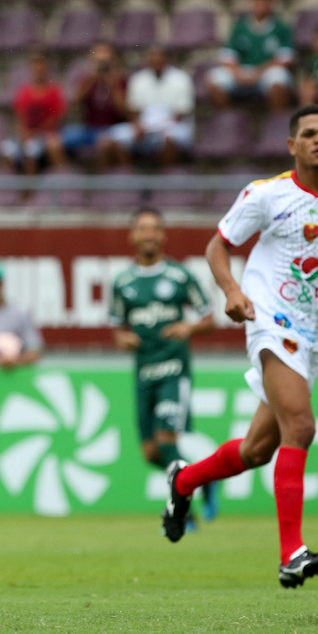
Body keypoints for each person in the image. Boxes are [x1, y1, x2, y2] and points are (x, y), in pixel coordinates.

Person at [160, 105, 318, 589]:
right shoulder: (266, 195)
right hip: (269, 319)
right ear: (292, 145)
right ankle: (292, 555)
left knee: (258, 450)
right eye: (310, 134)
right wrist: (231, 291)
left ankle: (183, 481)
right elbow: (217, 246)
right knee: (301, 426)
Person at [109, 208, 218, 521]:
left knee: (166, 439)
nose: (148, 234)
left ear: (163, 235)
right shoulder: (122, 283)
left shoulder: (180, 276)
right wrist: (123, 339)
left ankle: (183, 513)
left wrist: (188, 327)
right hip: (143, 374)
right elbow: (117, 327)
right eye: (142, 228)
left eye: (154, 228)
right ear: (132, 236)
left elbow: (209, 319)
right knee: (151, 453)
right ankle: (203, 479)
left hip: (174, 371)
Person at [97, 46, 194, 169]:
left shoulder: (181, 78)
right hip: (144, 124)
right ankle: (127, 176)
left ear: (166, 60)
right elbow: (134, 110)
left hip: (172, 125)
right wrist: (138, 125)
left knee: (169, 139)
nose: (155, 62)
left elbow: (181, 114)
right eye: (152, 59)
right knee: (108, 140)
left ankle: (166, 177)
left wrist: (153, 128)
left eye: (159, 59)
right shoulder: (139, 79)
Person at [207, 0, 294, 111]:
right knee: (214, 78)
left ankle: (277, 119)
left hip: (266, 72)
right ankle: (229, 117)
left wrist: (259, 73)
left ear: (271, 4)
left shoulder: (281, 28)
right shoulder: (240, 27)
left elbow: (285, 59)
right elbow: (227, 56)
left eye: (265, 2)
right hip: (242, 70)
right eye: (258, 2)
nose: (261, 6)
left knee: (279, 78)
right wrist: (237, 73)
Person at [1, 52, 65, 175]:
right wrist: (24, 133)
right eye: (35, 65)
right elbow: (20, 117)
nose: (38, 69)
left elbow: (55, 119)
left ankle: (31, 186)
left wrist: (34, 134)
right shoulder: (24, 91)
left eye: (41, 65)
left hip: (45, 135)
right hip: (28, 135)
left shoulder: (54, 90)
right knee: (7, 149)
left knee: (31, 151)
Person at [62, 42, 128, 163]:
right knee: (63, 136)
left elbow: (123, 110)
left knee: (104, 142)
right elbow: (74, 105)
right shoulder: (87, 80)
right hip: (90, 128)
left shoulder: (120, 81)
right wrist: (91, 79)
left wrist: (111, 83)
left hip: (113, 129)